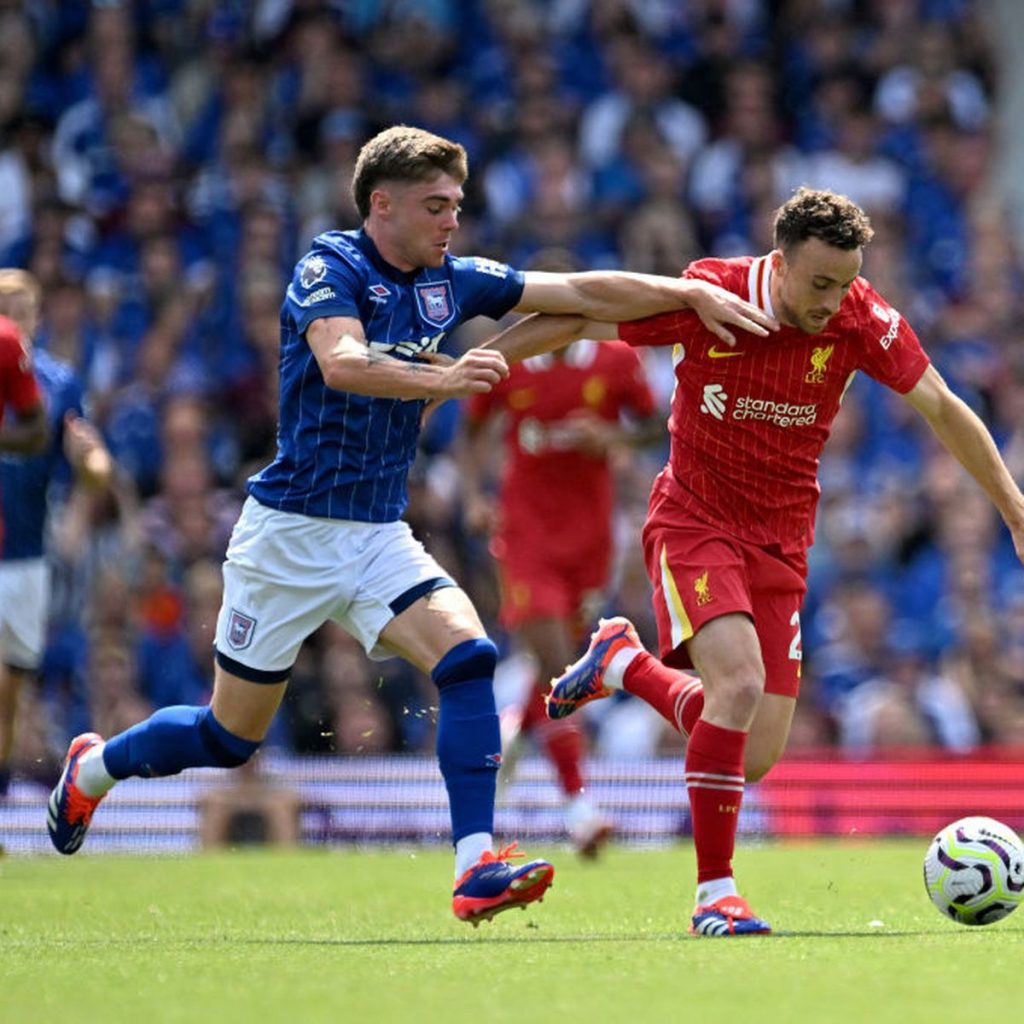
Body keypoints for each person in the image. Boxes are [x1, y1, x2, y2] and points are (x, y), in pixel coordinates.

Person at [46, 124, 775, 924]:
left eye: (457, 205)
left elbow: (581, 295)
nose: (451, 222)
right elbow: (342, 363)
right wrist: (453, 375)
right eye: (435, 206)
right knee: (229, 737)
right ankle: (95, 769)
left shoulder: (449, 279)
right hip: (288, 536)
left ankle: (474, 867)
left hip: (377, 535)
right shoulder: (330, 266)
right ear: (381, 205)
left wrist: (688, 292)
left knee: (469, 658)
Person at [482, 187, 1024, 936]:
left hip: (783, 542)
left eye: (845, 282)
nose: (834, 302)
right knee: (734, 686)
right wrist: (471, 366)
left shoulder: (862, 316)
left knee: (754, 754)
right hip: (695, 521)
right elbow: (577, 315)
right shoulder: (714, 294)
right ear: (781, 261)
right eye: (820, 284)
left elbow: (941, 404)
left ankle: (624, 663)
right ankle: (715, 896)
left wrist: (1015, 508)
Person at [459, 260, 661, 856]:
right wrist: (474, 496)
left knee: (563, 664)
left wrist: (614, 440)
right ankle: (579, 808)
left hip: (591, 535)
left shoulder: (616, 359)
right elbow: (470, 431)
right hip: (525, 532)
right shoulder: (507, 360)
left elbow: (656, 425)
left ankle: (514, 735)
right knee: (555, 663)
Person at [0, 269, 113, 799]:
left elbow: (91, 461)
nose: (15, 319)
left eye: (23, 309)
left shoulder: (57, 381)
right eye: (6, 309)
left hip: (24, 555)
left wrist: (90, 465)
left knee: (10, 694)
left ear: (37, 317)